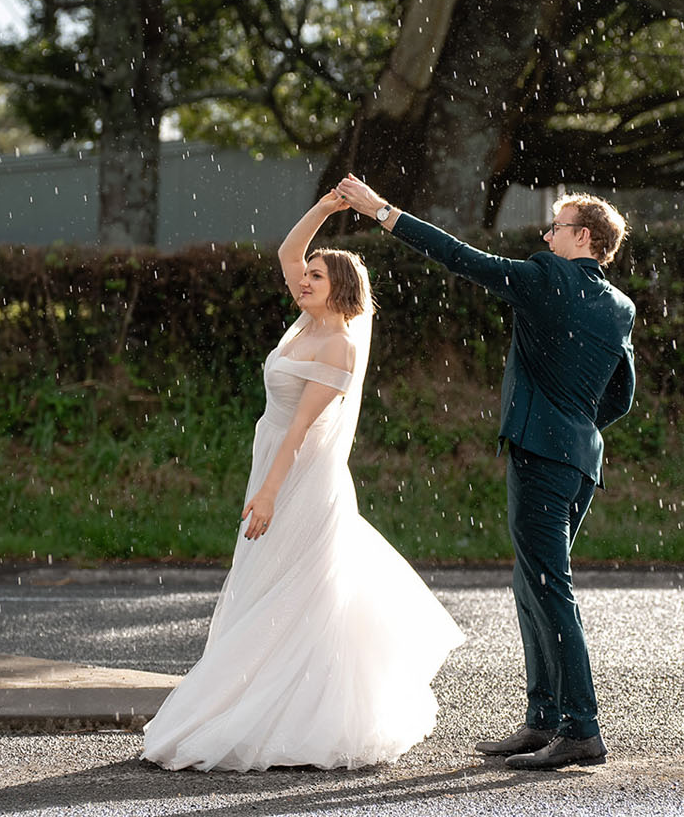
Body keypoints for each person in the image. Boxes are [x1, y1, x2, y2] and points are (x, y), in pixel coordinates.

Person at [141, 191, 465, 772]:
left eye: (316, 276)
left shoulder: (339, 344)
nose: (303, 279)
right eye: (305, 275)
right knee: (263, 584)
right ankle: (257, 698)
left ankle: (288, 718)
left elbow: (299, 431)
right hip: (273, 462)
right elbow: (290, 251)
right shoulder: (305, 321)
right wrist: (325, 208)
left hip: (300, 476)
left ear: (339, 286)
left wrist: (267, 491)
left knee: (294, 591)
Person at [334, 174, 636, 771]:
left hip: (544, 455)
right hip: (580, 456)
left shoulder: (547, 278)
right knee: (532, 583)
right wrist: (575, 424)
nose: (546, 234)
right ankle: (543, 720)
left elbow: (459, 257)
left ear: (580, 236)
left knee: (549, 587)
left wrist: (382, 211)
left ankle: (582, 729)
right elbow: (621, 396)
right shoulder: (619, 305)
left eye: (554, 226)